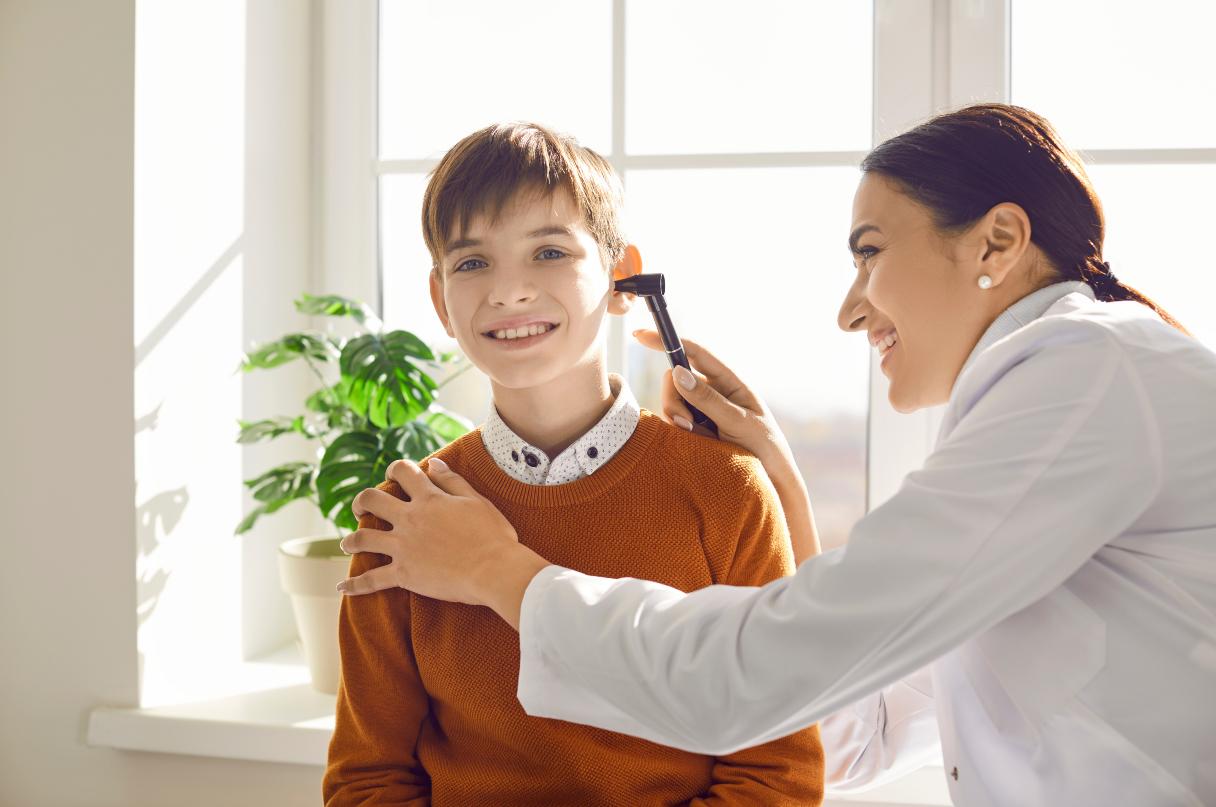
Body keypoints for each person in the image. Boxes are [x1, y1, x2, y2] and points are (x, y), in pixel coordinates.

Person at [338, 105, 1216, 807]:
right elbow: (853, 737)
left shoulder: (1084, 379)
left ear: (996, 242)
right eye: (472, 262)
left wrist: (501, 572)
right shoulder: (1054, 401)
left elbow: (751, 697)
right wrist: (786, 490)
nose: (849, 308)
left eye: (869, 251)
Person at [323, 122, 825, 806]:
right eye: (473, 263)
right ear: (441, 299)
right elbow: (366, 781)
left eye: (549, 251)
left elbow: (777, 776)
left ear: (623, 278)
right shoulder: (407, 515)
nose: (509, 291)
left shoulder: (727, 491)